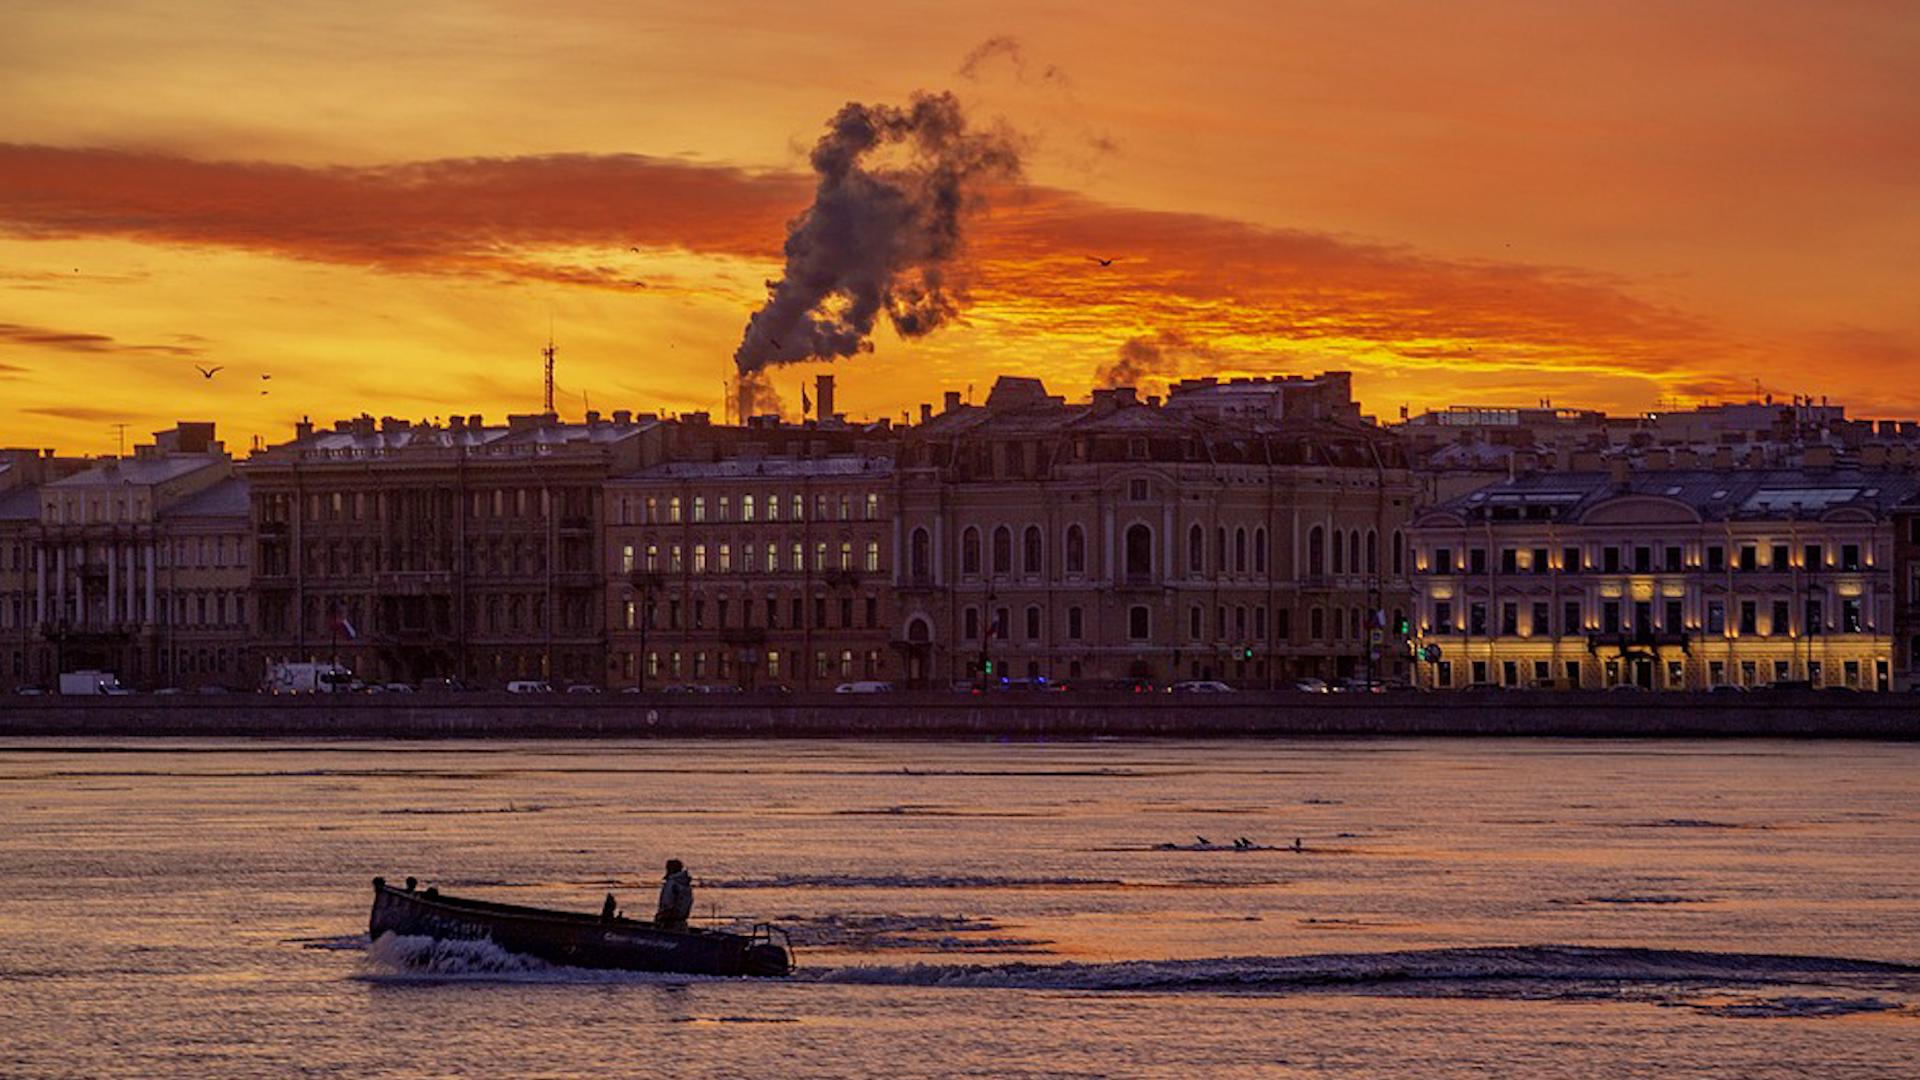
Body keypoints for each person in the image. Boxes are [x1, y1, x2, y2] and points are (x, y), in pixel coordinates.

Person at [654, 858, 693, 931]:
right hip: (682, 922)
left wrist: (661, 917)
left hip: (669, 923)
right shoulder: (686, 884)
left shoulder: (672, 883)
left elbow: (667, 903)